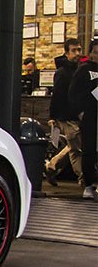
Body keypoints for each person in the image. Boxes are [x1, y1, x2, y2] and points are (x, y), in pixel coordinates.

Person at [45, 38, 84, 186]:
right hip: (66, 116)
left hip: (76, 115)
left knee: (73, 145)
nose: (77, 53)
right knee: (78, 149)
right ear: (67, 53)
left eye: (79, 50)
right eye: (74, 50)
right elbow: (57, 94)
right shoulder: (62, 72)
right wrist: (52, 117)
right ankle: (85, 181)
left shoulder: (80, 69)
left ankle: (52, 166)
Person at [68, 39, 98, 200]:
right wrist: (80, 112)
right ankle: (88, 185)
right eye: (96, 52)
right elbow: (73, 94)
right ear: (91, 53)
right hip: (90, 117)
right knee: (89, 151)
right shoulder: (83, 70)